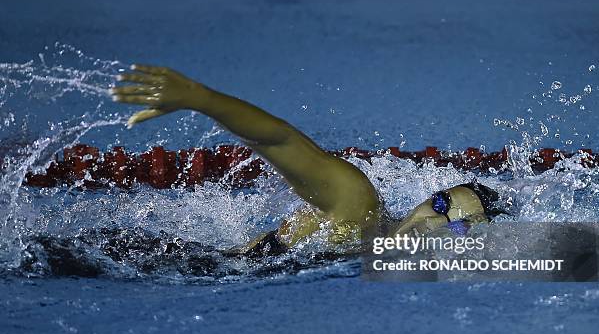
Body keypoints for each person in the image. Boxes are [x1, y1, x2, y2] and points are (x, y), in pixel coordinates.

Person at [111, 65, 503, 255]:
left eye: (457, 229)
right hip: (160, 264)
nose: (435, 222)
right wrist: (200, 99)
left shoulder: (376, 258)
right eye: (441, 204)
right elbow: (281, 140)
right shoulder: (359, 206)